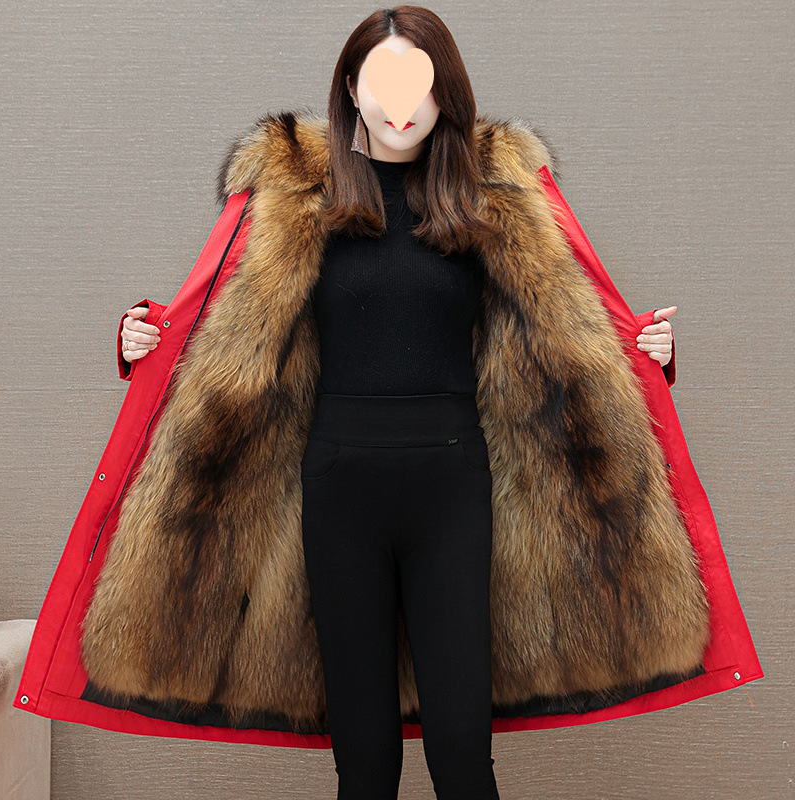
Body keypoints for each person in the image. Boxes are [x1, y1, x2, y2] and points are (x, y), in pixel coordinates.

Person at [117, 8, 674, 799]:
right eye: (383, 81)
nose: (402, 102)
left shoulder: (489, 200)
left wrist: (650, 354)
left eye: (422, 81)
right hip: (338, 492)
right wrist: (141, 338)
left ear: (447, 94)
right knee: (365, 761)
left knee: (462, 752)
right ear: (351, 88)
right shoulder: (294, 199)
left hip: (453, 489)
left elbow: (564, 329)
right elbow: (217, 318)